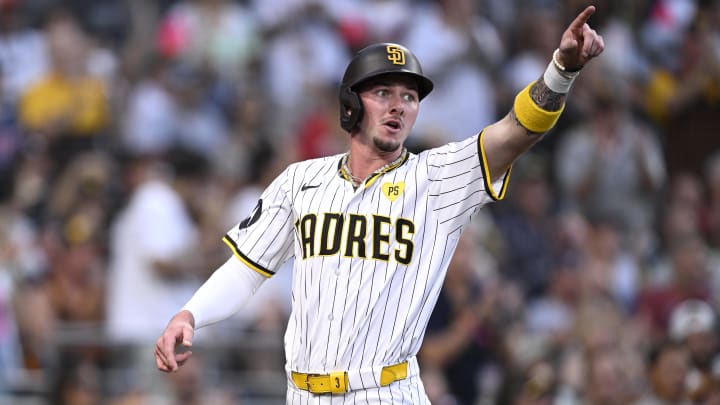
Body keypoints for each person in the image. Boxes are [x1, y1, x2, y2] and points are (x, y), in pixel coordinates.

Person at [155, 6, 605, 403]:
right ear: (351, 104)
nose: (399, 106)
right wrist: (191, 312)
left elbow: (516, 132)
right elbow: (247, 268)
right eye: (383, 93)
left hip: (386, 392)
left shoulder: (436, 178)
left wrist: (560, 71)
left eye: (409, 96)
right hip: (303, 393)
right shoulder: (300, 179)